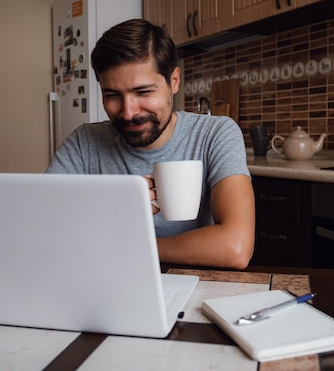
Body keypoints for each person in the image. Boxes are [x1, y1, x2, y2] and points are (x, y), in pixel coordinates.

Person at [47, 19, 254, 269]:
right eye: (112, 95)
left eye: (144, 92)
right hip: (109, 283)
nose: (128, 112)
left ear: (174, 81)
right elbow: (42, 230)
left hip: (194, 287)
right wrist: (110, 209)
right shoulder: (85, 143)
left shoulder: (215, 134)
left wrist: (132, 247)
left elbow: (236, 247)